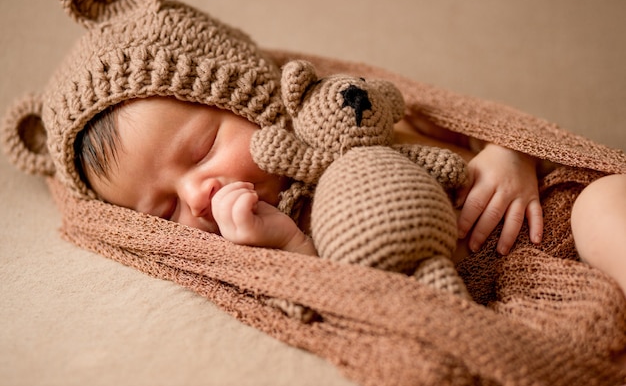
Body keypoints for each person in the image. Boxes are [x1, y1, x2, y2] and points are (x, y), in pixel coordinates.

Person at [74, 91, 626, 299]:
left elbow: (470, 124)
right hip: (484, 289)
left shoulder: (340, 114)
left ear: (245, 102)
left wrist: (511, 156)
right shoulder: (258, 236)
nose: (197, 194)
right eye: (165, 209)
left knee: (602, 205)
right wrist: (287, 245)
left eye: (202, 150)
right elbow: (350, 297)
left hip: (550, 217)